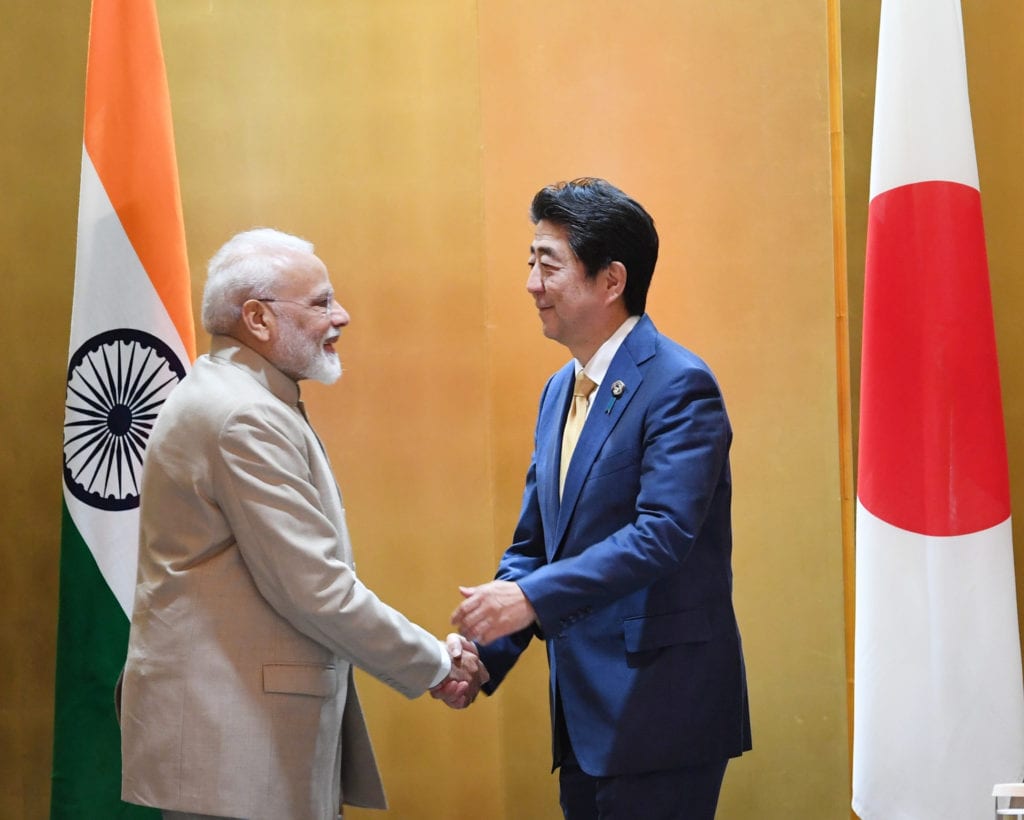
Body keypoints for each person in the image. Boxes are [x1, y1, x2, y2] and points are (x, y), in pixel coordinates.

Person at [119, 228, 487, 820]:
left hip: (237, 747)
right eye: (320, 302)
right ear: (258, 319)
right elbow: (315, 588)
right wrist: (437, 666)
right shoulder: (244, 416)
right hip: (234, 753)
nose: (341, 316)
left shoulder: (240, 395)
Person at [452, 178, 751, 820]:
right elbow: (536, 546)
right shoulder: (559, 389)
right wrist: (484, 655)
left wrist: (528, 599)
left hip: (661, 712)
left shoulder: (679, 384)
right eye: (529, 262)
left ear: (611, 280)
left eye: (548, 263)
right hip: (584, 718)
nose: (532, 283)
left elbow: (663, 534)